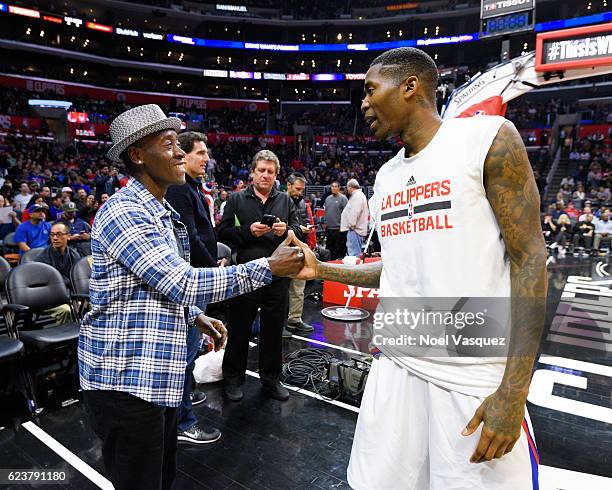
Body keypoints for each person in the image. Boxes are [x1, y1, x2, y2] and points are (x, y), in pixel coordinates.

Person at [291, 48, 547, 489]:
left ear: (410, 86)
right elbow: (393, 269)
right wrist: (323, 271)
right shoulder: (387, 174)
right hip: (396, 363)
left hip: (469, 367)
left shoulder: (488, 139)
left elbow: (530, 259)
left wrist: (513, 391)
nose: (364, 104)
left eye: (371, 91)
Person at [79, 104, 303, 490]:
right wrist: (269, 266)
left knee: (162, 479)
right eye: (169, 145)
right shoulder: (124, 211)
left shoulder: (163, 211)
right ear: (137, 155)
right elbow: (181, 281)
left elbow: (154, 286)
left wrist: (195, 316)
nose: (181, 152)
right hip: (126, 382)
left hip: (154, 379)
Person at [218, 149, 301, 403]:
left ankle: (271, 380)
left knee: (274, 331)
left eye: (271, 172)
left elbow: (298, 229)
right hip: (246, 275)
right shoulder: (235, 199)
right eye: (261, 170)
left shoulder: (286, 201)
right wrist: (247, 231)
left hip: (278, 276)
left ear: (276, 175)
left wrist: (286, 229)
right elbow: (221, 233)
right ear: (252, 172)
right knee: (240, 329)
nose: (266, 175)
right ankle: (232, 379)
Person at [165, 131, 221, 445]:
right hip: (193, 280)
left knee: (192, 348)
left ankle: (185, 400)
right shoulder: (179, 190)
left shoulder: (193, 187)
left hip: (200, 277)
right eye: (199, 153)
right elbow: (189, 239)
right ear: (183, 155)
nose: (205, 158)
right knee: (185, 353)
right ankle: (184, 421)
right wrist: (214, 267)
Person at [285, 173, 315, 334]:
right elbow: (279, 229)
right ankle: (281, 324)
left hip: (300, 250)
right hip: (284, 251)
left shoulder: (303, 203)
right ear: (288, 185)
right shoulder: (279, 201)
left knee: (298, 287)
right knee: (281, 290)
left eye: (302, 189)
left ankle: (294, 320)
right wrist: (299, 230)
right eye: (297, 189)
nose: (299, 192)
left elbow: (303, 223)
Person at [36, 221, 82, 325]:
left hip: (70, 294)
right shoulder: (42, 260)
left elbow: (77, 280)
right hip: (51, 298)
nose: (55, 238)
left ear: (68, 236)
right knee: (66, 310)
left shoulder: (74, 255)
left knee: (92, 303)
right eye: (52, 235)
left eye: (59, 234)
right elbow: (48, 288)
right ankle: (65, 337)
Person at [340, 179, 369, 257]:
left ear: (350, 187)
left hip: (355, 230)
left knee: (354, 255)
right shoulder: (358, 195)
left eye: (347, 187)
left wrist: (351, 224)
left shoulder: (357, 196)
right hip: (355, 230)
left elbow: (355, 211)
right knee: (354, 253)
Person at [324, 181, 348, 259]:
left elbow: (346, 213)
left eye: (335, 186)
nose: (333, 188)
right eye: (332, 186)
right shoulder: (327, 199)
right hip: (329, 229)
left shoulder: (343, 198)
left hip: (339, 229)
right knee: (330, 250)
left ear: (338, 188)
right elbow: (326, 212)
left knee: (340, 250)